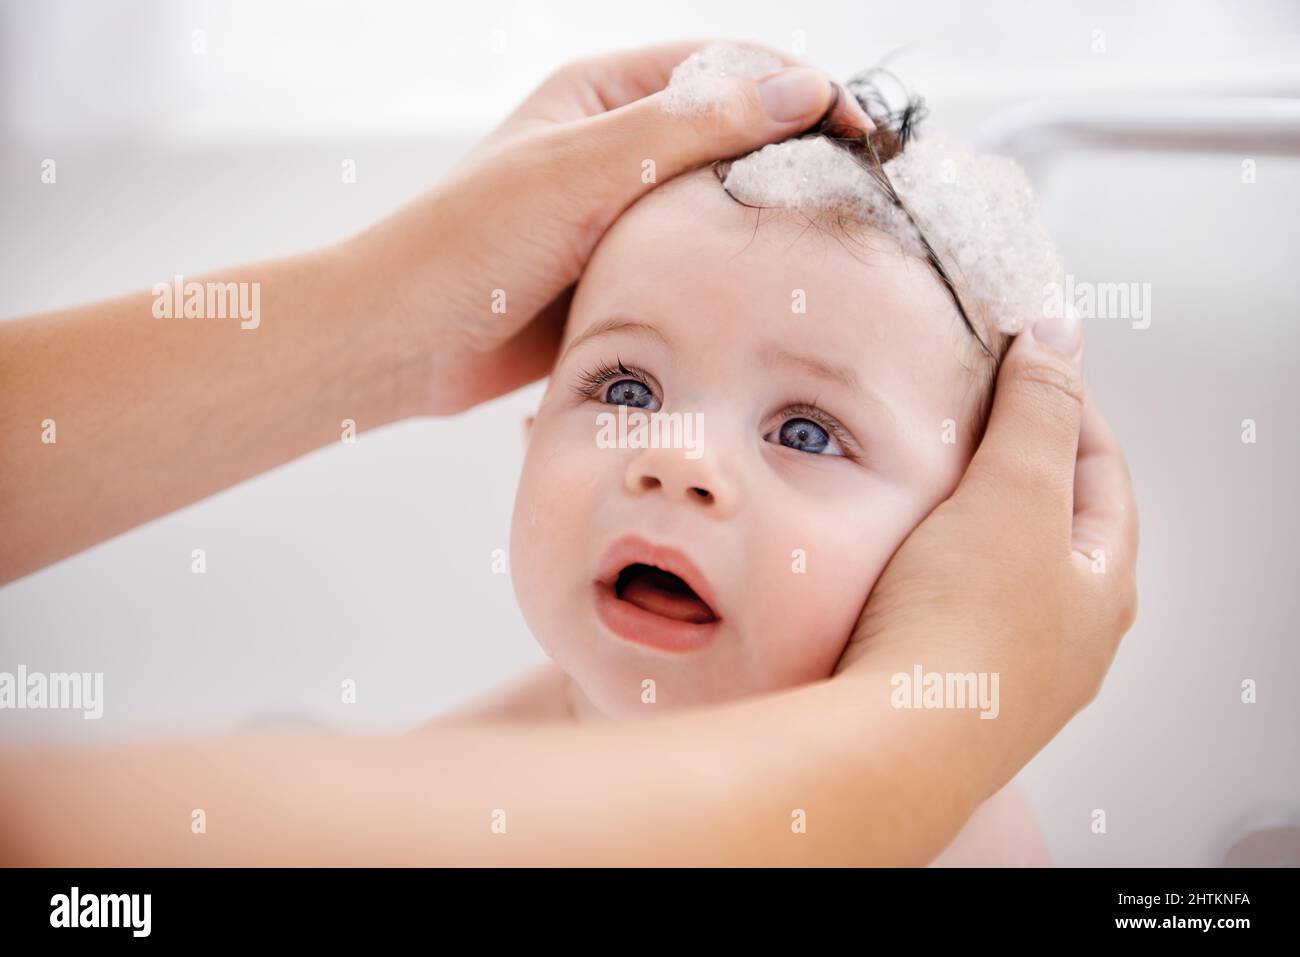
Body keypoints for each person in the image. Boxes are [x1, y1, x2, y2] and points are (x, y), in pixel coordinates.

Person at [0, 41, 1138, 866]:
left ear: (967, 544)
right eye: (625, 386)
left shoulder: (959, 839)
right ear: (525, 433)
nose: (672, 460)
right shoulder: (536, 730)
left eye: (805, 432)